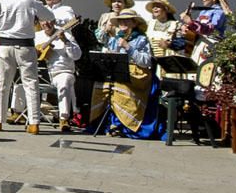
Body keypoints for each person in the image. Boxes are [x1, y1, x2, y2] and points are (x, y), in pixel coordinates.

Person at [0, 0, 56, 134]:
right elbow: (50, 16)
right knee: (31, 83)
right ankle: (34, 123)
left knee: (2, 84)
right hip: (26, 45)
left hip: (5, 45)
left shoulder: (0, 1)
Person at [90, 8, 160, 138]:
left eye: (126, 21)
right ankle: (104, 123)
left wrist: (128, 47)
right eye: (121, 21)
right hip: (118, 71)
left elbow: (146, 61)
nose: (123, 23)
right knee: (100, 85)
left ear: (134, 23)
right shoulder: (115, 39)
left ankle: (122, 125)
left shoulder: (141, 39)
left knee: (120, 87)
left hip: (137, 73)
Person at [35, 19, 81, 132]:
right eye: (42, 20)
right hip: (41, 73)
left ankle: (63, 119)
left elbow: (77, 56)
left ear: (54, 21)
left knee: (64, 83)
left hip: (62, 72)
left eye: (49, 20)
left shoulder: (67, 35)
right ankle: (17, 112)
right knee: (20, 80)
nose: (46, 23)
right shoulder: (36, 36)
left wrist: (65, 41)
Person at [181, 0, 231, 64]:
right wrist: (187, 27)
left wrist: (190, 22)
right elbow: (196, 27)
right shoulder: (203, 11)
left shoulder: (219, 12)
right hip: (200, 45)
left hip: (211, 45)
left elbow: (211, 29)